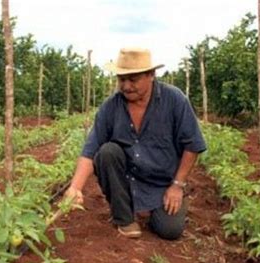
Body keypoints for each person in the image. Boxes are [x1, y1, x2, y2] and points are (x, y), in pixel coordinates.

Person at [64, 47, 206, 240]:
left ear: (151, 75)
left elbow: (192, 145)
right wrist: (75, 188)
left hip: (163, 183)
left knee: (170, 230)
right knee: (107, 152)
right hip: (127, 182)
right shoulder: (111, 107)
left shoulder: (174, 100)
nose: (127, 86)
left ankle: (159, 205)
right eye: (122, 79)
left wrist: (177, 186)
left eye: (133, 79)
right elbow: (90, 150)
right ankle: (124, 217)